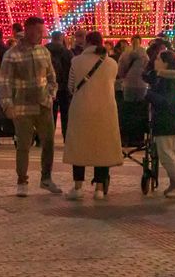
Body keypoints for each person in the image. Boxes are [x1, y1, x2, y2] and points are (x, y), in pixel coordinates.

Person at [0, 16, 61, 196]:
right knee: (24, 145)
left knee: (49, 142)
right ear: (27, 31)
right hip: (22, 106)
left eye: (42, 32)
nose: (41, 35)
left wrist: (51, 94)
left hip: (43, 104)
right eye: (38, 32)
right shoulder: (12, 54)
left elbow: (51, 77)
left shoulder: (44, 52)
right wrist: (7, 104)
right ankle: (22, 180)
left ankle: (46, 178)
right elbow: (5, 82)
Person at [64, 31, 122, 200]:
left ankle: (78, 187)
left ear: (88, 43)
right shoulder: (112, 63)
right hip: (106, 109)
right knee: (102, 146)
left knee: (79, 145)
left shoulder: (76, 61)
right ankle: (99, 188)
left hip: (81, 108)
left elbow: (71, 86)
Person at [148, 47, 175, 198]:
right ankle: (174, 183)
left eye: (158, 59)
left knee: (166, 154)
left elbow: (166, 101)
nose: (155, 61)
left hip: (168, 120)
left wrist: (149, 95)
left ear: (166, 64)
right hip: (167, 120)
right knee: (166, 153)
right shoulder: (164, 78)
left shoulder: (169, 81)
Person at [47, 30, 73, 141]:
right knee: (65, 114)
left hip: (49, 87)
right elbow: (71, 70)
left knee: (49, 114)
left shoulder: (45, 50)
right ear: (61, 38)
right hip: (64, 87)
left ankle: (47, 138)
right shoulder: (67, 52)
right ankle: (66, 137)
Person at [117, 34, 149, 102]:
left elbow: (120, 69)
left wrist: (123, 76)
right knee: (141, 105)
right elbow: (147, 68)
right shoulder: (144, 54)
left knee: (129, 106)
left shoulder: (125, 53)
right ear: (140, 42)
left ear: (131, 41)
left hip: (128, 83)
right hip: (142, 84)